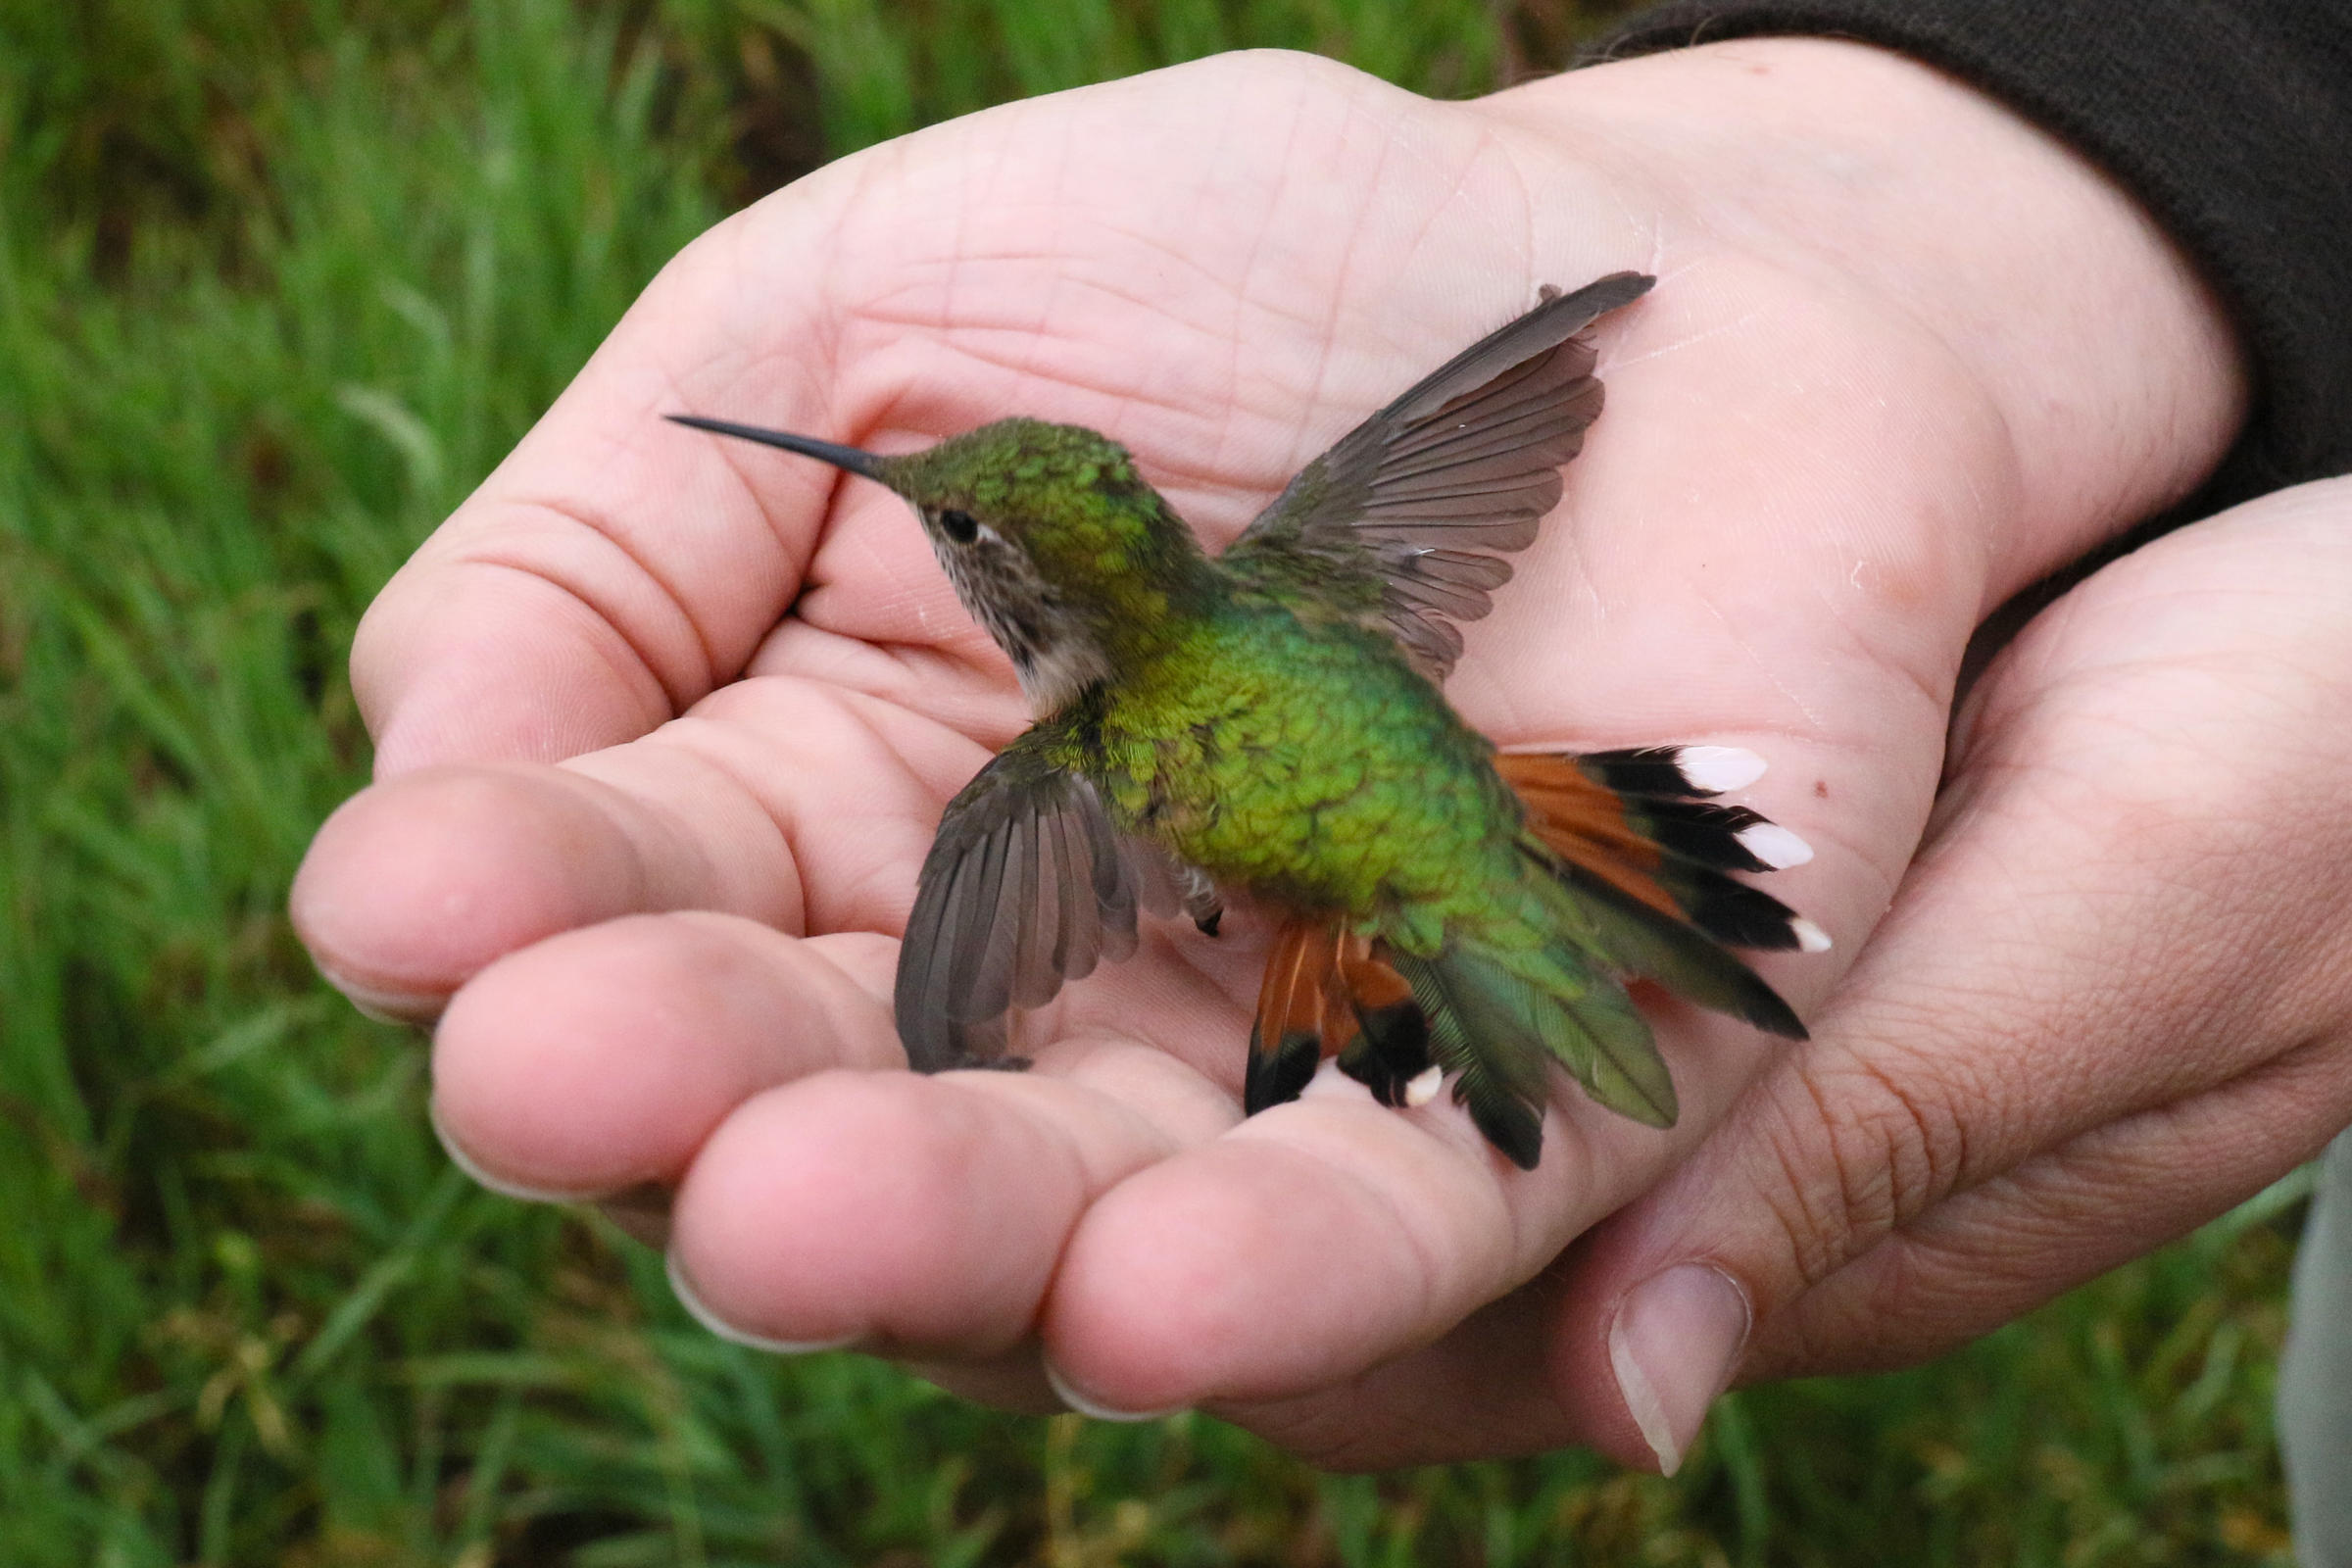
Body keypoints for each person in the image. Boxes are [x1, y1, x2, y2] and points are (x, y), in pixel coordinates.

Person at [288, 0, 2352, 1546]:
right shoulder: (1315, 544)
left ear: (1038, 603)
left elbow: (979, 920)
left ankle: (1424, 985)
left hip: (1368, 858)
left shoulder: (1051, 776)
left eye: (962, 533)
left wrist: (970, 980)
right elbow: (1445, 423)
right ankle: (1553, 907)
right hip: (1457, 774)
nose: (918, 519)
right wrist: (1913, 193)